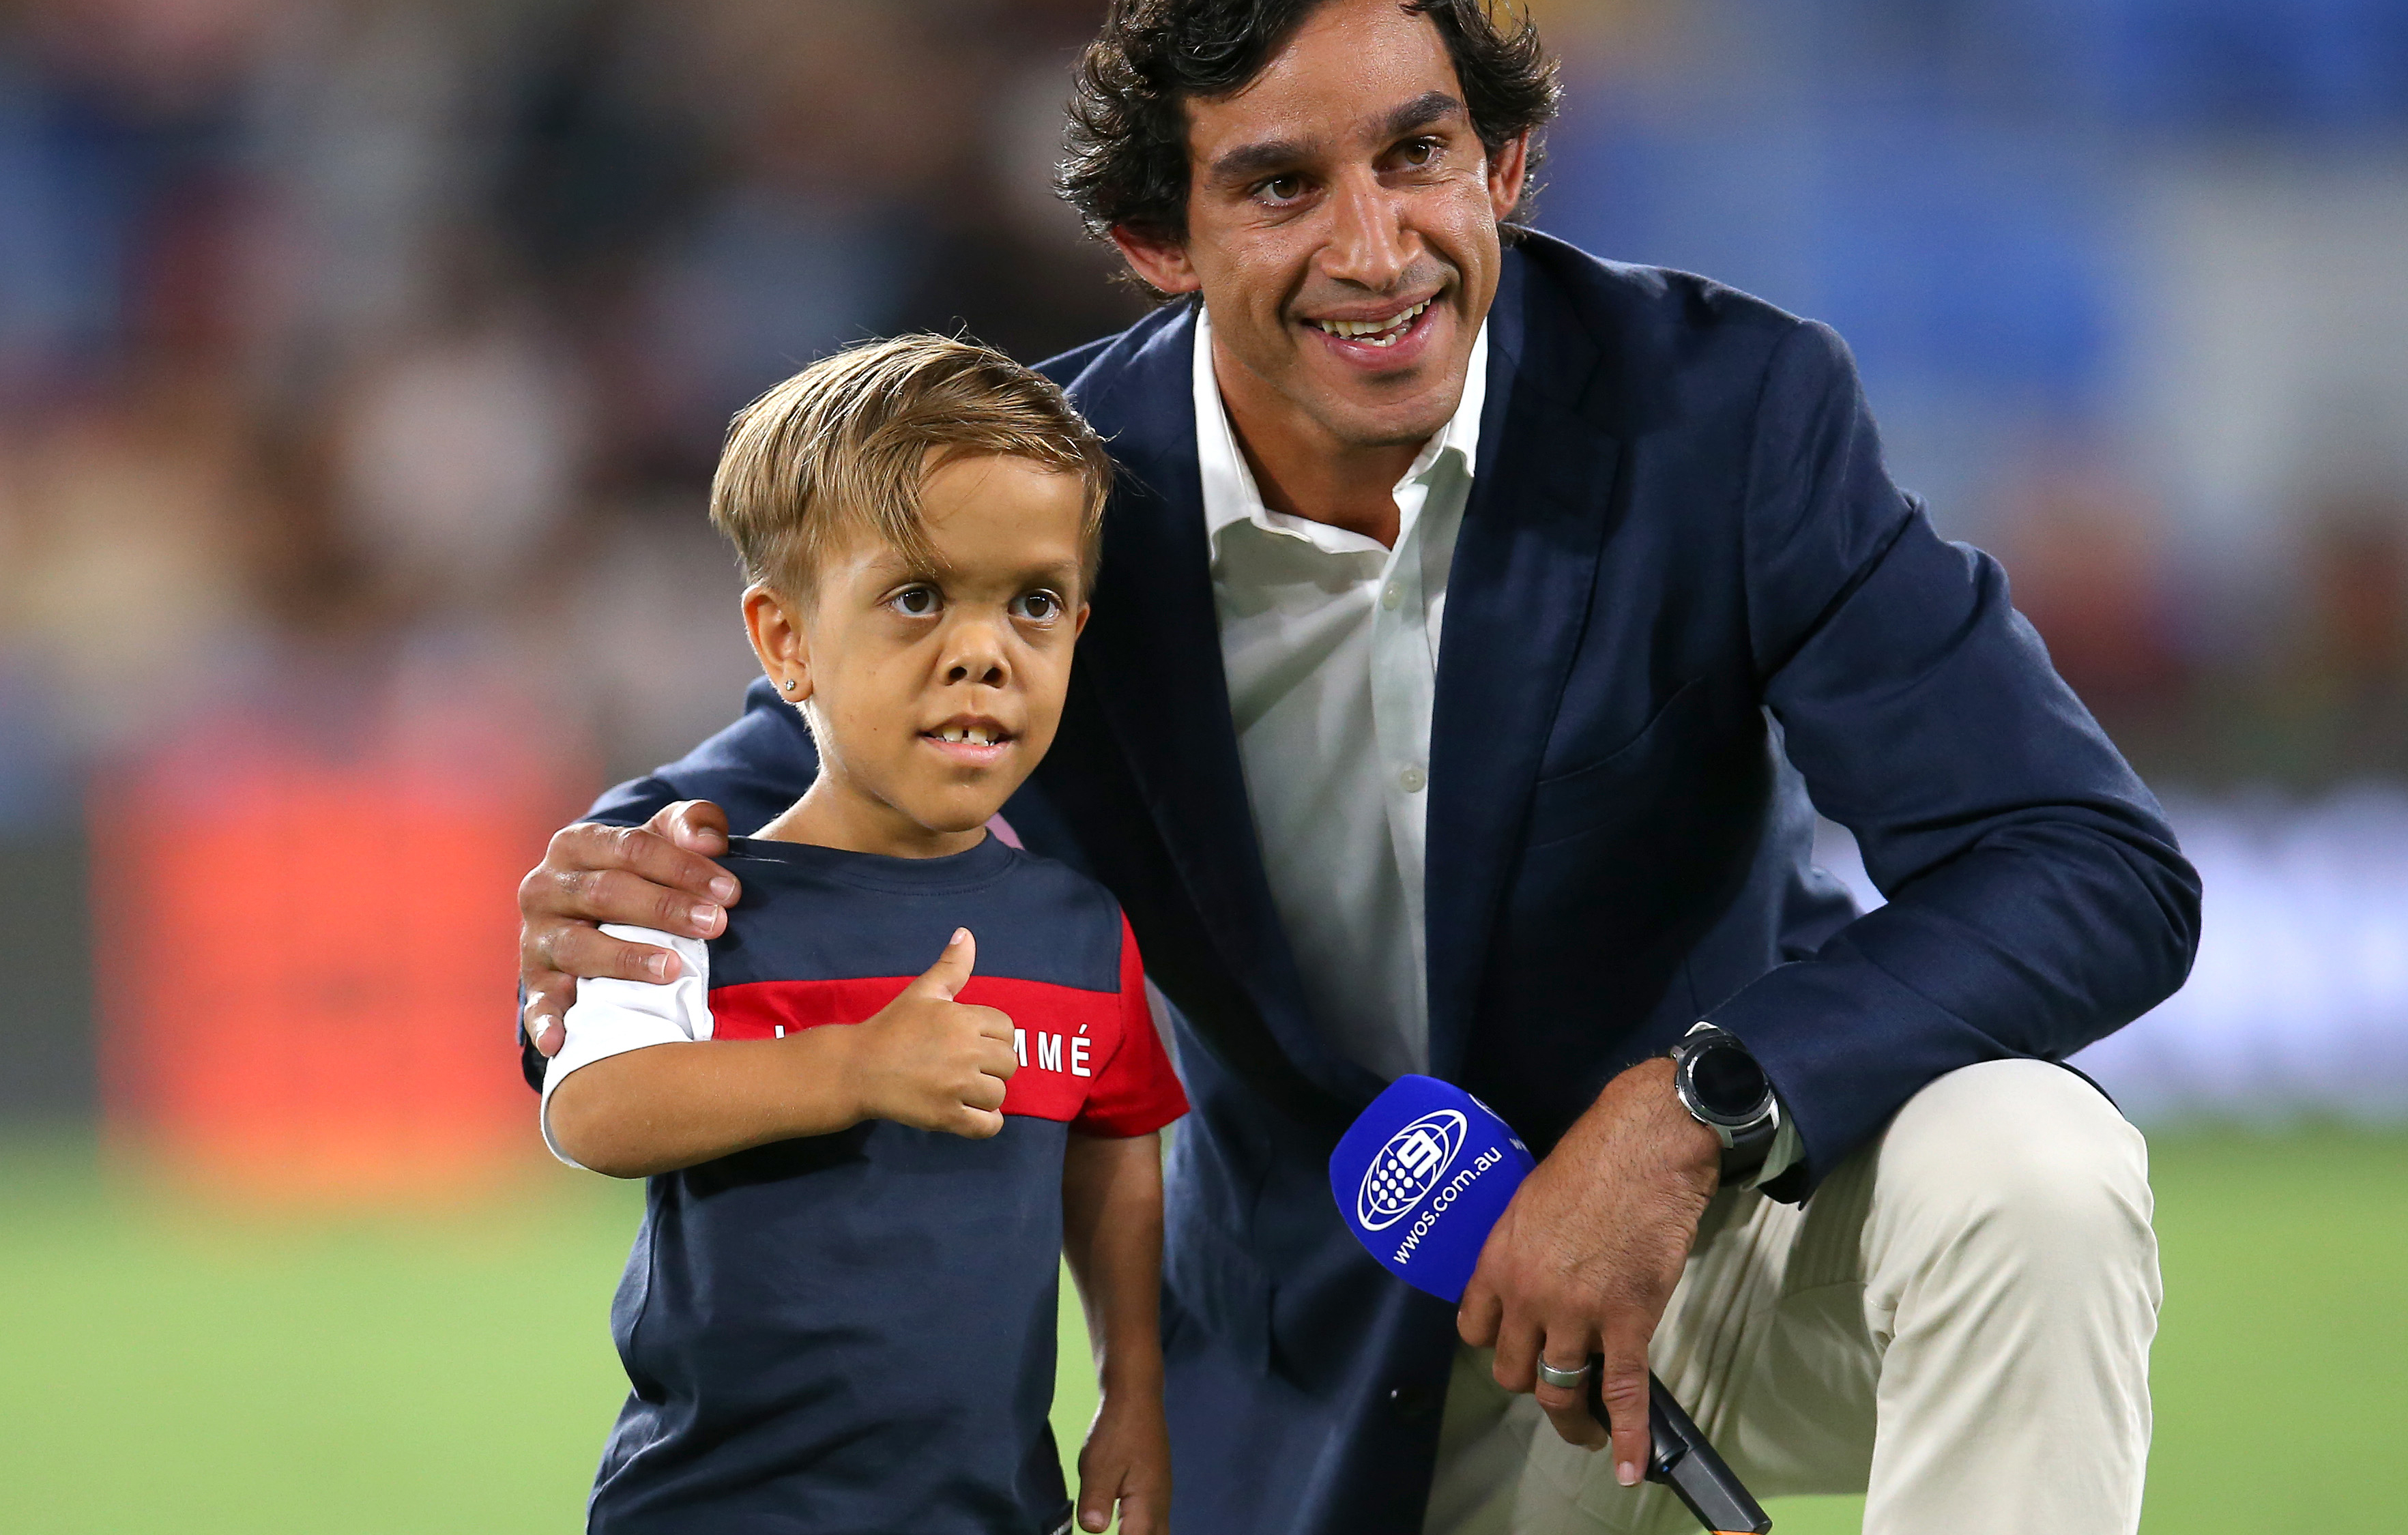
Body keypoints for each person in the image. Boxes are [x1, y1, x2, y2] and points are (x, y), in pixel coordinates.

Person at [516, 3, 2201, 1533]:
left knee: (2033, 1173)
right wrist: (612, 883)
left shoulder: (1724, 416)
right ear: (1154, 239)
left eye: (1419, 155)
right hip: (1338, 1341)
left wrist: (1698, 1106)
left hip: (1721, 1234)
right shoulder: (1058, 502)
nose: (1374, 247)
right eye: (1278, 188)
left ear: (1509, 163)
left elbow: (2092, 866)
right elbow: (772, 775)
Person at [538, 336, 1185, 1535]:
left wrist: (1133, 1389)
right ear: (785, 640)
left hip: (990, 1508)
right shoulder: (695, 896)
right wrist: (850, 1068)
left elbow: (1113, 1151)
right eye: (918, 596)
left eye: (1032, 603)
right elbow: (592, 1110)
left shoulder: (1077, 927)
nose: (983, 650)